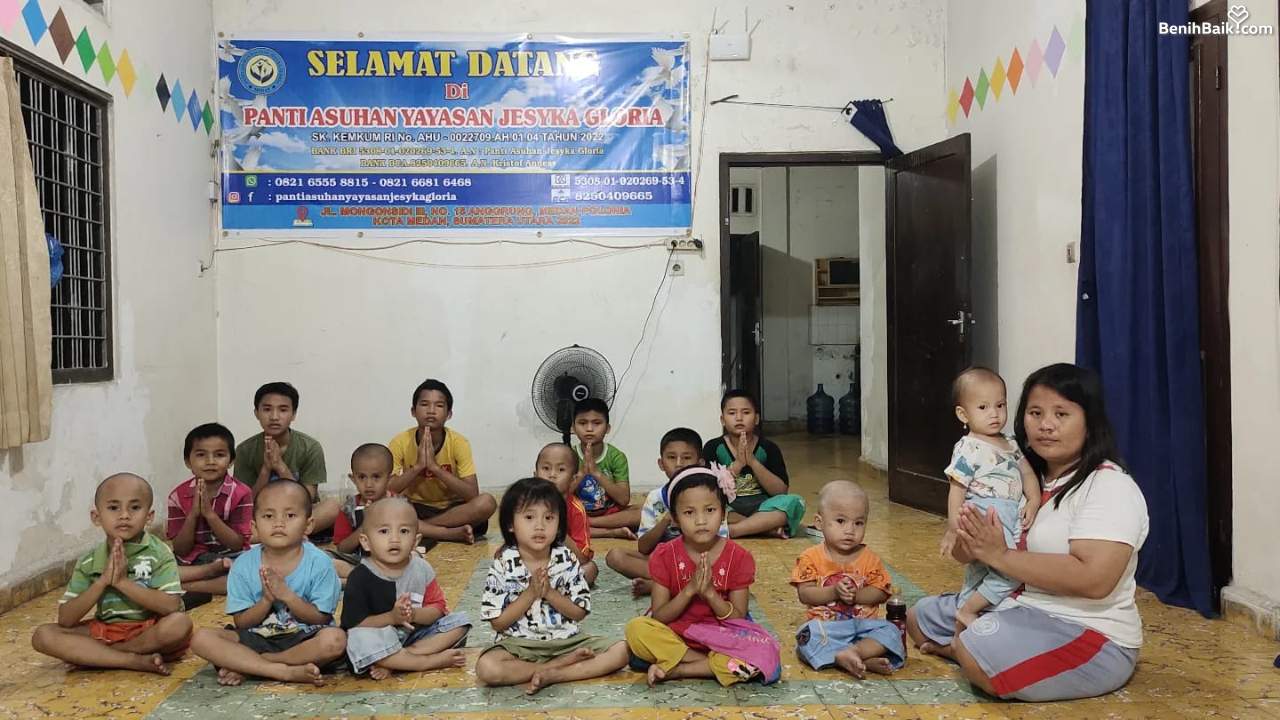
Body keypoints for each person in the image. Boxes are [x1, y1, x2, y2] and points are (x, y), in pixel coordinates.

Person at [907, 363, 1150, 702]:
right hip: (1017, 604)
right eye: (1035, 413)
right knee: (918, 616)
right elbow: (973, 554)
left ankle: (964, 651)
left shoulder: (1109, 485)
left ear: (1090, 421)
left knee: (978, 645)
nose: (1046, 425)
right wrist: (968, 540)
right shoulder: (1019, 476)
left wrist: (1001, 556)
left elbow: (1095, 580)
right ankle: (970, 650)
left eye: (1061, 414)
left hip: (1087, 630)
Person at [625, 467, 781, 687]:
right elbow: (660, 616)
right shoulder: (664, 555)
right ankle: (707, 664)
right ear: (675, 519)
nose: (701, 520)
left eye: (710, 510)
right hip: (677, 633)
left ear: (723, 513)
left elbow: (738, 618)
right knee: (637, 629)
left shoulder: (739, 557)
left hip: (724, 635)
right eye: (689, 513)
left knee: (765, 653)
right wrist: (690, 590)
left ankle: (678, 669)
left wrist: (709, 594)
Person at [476, 478, 629, 695]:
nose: (540, 526)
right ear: (510, 524)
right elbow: (498, 623)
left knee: (622, 650)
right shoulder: (503, 564)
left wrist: (549, 593)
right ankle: (554, 667)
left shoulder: (566, 558)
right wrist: (530, 594)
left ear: (559, 526)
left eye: (549, 518)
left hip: (568, 642)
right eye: (529, 517)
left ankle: (557, 675)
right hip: (520, 646)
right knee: (487, 668)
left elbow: (578, 613)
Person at [189, 480, 346, 686]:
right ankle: (283, 672)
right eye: (269, 516)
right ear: (254, 526)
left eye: (290, 515)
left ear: (308, 525)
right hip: (257, 637)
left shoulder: (320, 563)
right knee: (200, 638)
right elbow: (242, 623)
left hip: (305, 638)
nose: (278, 523)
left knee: (335, 640)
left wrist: (287, 595)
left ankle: (255, 665)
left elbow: (321, 617)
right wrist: (266, 600)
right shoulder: (243, 565)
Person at [31, 474, 192, 675]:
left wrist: (122, 582)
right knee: (43, 635)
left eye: (135, 507)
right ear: (96, 517)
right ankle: (132, 660)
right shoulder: (89, 561)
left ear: (149, 517)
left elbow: (171, 606)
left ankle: (100, 656)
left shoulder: (158, 552)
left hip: (149, 630)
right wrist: (103, 582)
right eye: (114, 508)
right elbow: (66, 619)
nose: (124, 515)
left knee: (180, 624)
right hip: (106, 630)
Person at [941, 367, 1041, 630]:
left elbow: (1027, 474)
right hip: (985, 515)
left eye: (1000, 405)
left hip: (1012, 514)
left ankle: (960, 632)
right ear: (963, 414)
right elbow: (956, 489)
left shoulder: (1011, 444)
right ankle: (968, 610)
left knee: (981, 573)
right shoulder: (968, 447)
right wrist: (953, 528)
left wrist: (1033, 499)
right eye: (983, 407)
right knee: (1010, 572)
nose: (994, 414)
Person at [340, 497, 471, 679]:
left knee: (460, 623)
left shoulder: (421, 568)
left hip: (415, 636)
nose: (394, 539)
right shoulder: (360, 576)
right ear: (365, 541)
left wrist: (414, 615)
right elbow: (354, 623)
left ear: (416, 541)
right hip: (378, 636)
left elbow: (438, 609)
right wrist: (392, 618)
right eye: (384, 531)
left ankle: (398, 659)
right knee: (359, 638)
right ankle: (429, 662)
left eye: (403, 531)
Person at [792, 480, 904, 678]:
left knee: (892, 631)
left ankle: (854, 653)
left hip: (864, 627)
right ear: (819, 523)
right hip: (827, 628)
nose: (850, 530)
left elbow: (880, 592)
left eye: (858, 523)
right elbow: (805, 594)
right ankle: (861, 659)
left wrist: (856, 596)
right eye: (841, 521)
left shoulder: (870, 559)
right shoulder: (810, 557)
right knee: (807, 635)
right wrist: (834, 592)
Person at [605, 428, 728, 597]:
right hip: (665, 564)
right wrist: (665, 521)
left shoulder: (710, 496)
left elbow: (722, 546)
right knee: (616, 556)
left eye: (687, 458)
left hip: (701, 564)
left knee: (723, 568)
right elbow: (643, 547)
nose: (679, 464)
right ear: (661, 463)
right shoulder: (655, 498)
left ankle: (662, 585)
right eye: (671, 457)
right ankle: (672, 584)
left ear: (700, 463)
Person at [388, 378, 497, 545]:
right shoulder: (400, 442)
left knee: (487, 502)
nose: (431, 411)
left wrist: (435, 468)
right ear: (413, 411)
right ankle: (447, 533)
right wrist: (418, 467)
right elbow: (389, 489)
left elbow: (472, 494)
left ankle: (422, 528)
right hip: (415, 507)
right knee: (384, 507)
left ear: (449, 414)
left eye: (439, 405)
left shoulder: (459, 442)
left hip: (453, 510)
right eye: (424, 404)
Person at [233, 381, 341, 536]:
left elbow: (306, 500)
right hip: (264, 516)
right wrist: (265, 470)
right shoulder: (245, 450)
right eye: (267, 409)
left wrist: (280, 466)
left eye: (283, 410)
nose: (274, 417)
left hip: (297, 515)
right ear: (256, 413)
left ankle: (268, 538)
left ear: (293, 414)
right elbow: (247, 504)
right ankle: (293, 536)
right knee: (235, 522)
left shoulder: (310, 447)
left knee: (332, 506)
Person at [703, 389, 806, 538]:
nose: (739, 418)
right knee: (707, 507)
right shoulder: (713, 447)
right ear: (723, 420)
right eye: (732, 413)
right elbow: (707, 490)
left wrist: (752, 462)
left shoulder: (768, 448)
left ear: (756, 418)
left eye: (746, 412)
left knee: (795, 502)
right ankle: (763, 527)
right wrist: (738, 465)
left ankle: (734, 531)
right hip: (729, 508)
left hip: (762, 507)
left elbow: (780, 491)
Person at [167, 423, 253, 596]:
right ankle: (207, 573)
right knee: (157, 570)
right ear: (187, 461)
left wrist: (209, 514)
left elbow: (237, 543)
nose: (210, 461)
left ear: (231, 460)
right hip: (193, 560)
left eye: (219, 455)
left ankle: (185, 586)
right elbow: (181, 549)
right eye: (201, 455)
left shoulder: (241, 493)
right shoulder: (177, 496)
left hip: (231, 557)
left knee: (252, 576)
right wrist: (193, 515)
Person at [569, 398, 640, 538]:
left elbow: (623, 499)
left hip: (610, 513)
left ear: (607, 428)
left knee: (645, 512)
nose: (589, 429)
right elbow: (560, 496)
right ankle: (611, 531)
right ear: (573, 428)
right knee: (553, 515)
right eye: (582, 423)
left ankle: (588, 523)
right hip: (577, 512)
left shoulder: (617, 457)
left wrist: (596, 473)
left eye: (597, 423)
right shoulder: (568, 456)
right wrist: (582, 473)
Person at [533, 442, 598, 585]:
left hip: (561, 566)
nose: (552, 475)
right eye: (546, 468)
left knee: (590, 569)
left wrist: (558, 531)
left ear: (573, 479)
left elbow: (583, 558)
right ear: (535, 475)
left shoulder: (576, 509)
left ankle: (553, 586)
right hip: (530, 564)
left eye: (561, 469)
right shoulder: (525, 504)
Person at [329, 443, 397, 578]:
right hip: (358, 561)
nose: (369, 484)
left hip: (392, 560)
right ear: (353, 479)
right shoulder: (349, 508)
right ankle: (364, 576)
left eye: (376, 477)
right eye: (361, 477)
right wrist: (365, 526)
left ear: (389, 479)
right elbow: (342, 549)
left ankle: (364, 578)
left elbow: (407, 541)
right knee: (327, 558)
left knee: (416, 558)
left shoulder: (399, 506)